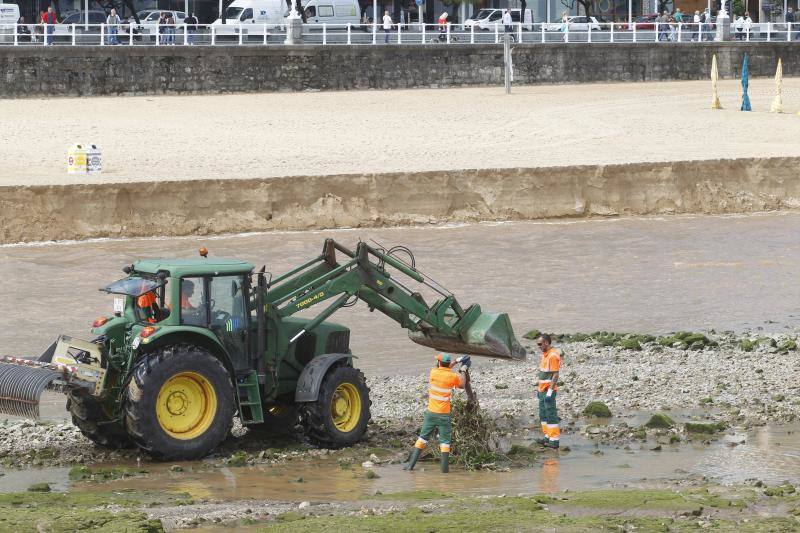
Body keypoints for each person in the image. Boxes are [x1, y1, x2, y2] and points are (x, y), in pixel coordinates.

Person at [403, 353, 470, 473]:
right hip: (444, 415)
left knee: (422, 439)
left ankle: (410, 466)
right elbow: (462, 385)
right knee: (445, 442)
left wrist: (456, 361)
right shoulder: (452, 376)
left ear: (439, 363)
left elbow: (444, 368)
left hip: (431, 414)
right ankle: (444, 471)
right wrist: (463, 368)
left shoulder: (433, 372)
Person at [535, 334, 562, 449]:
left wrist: (550, 391)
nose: (539, 346)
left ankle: (554, 441)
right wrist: (539, 389)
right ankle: (547, 437)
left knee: (550, 414)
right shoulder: (545, 355)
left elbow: (555, 375)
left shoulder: (552, 355)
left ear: (546, 342)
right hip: (542, 390)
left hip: (548, 390)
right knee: (543, 414)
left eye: (540, 344)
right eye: (538, 344)